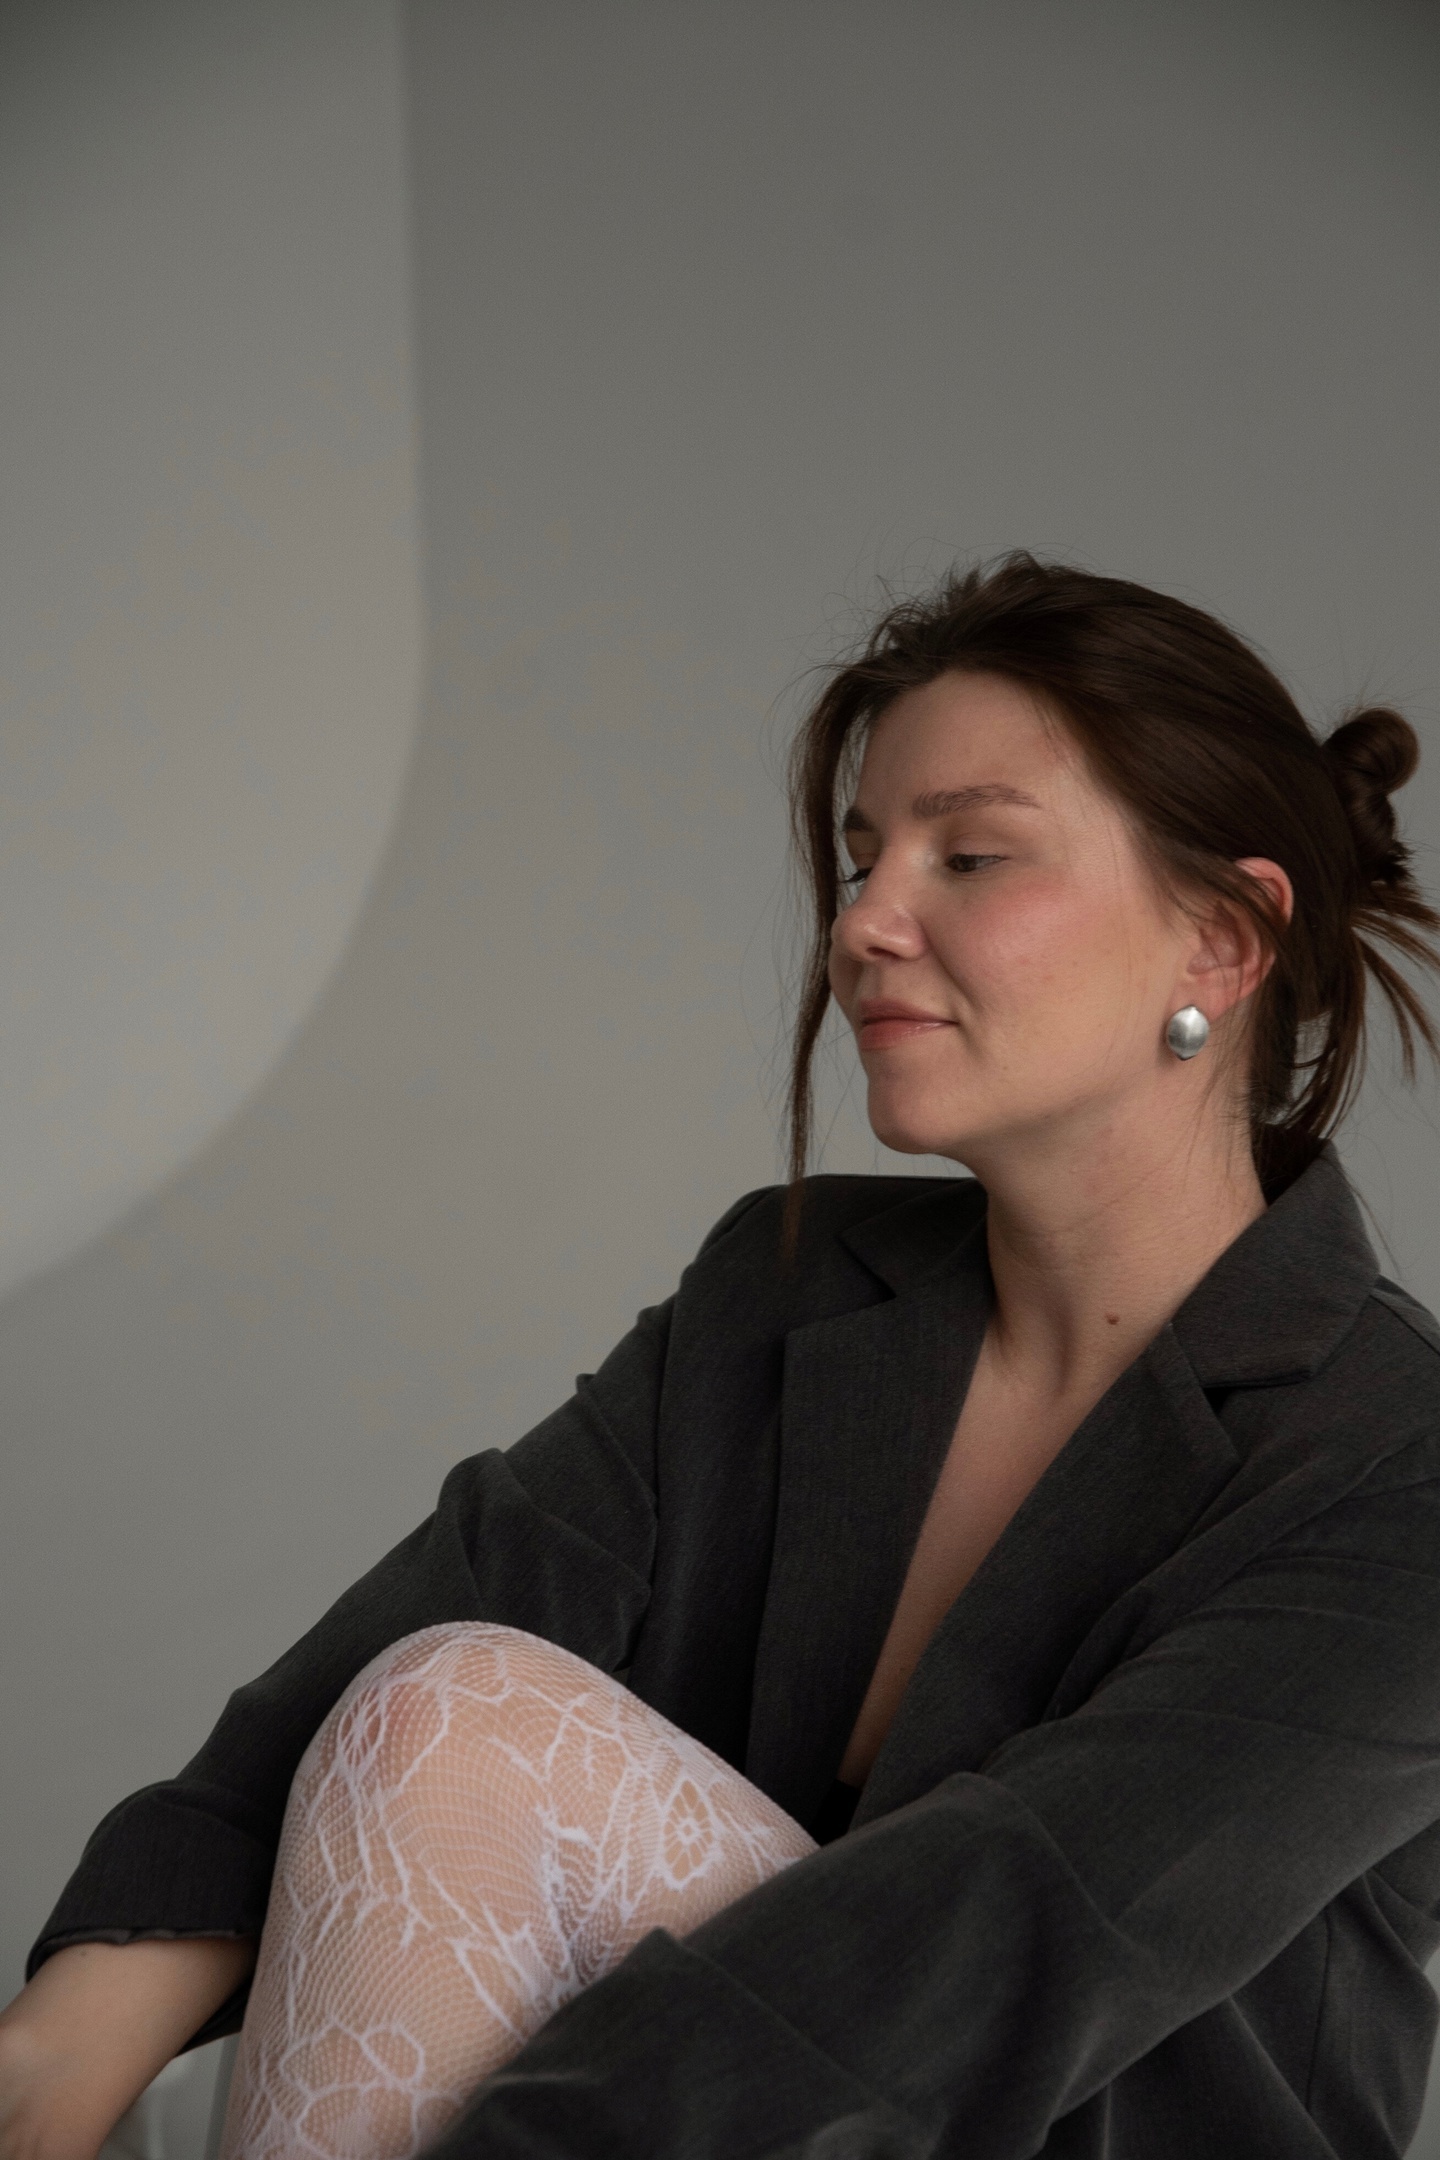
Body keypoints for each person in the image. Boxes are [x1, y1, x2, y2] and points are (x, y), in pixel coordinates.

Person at [4, 552, 1440, 2160]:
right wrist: (59, 2047)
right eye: (863, 857)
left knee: (466, 1733)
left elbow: (1009, 1929)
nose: (864, 923)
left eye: (969, 856)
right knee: (427, 1722)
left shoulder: (1403, 1462)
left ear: (1223, 944)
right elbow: (434, 1620)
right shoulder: (786, 1292)